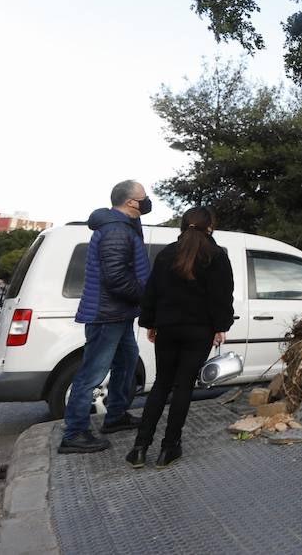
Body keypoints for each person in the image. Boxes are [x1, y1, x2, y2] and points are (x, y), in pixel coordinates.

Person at [126, 206, 234, 469]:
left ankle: (139, 448)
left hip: (168, 329)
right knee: (183, 386)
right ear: (210, 226)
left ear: (183, 226)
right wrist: (221, 327)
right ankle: (169, 448)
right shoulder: (216, 256)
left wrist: (150, 323)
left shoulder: (166, 254)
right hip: (199, 331)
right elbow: (221, 296)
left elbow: (152, 292)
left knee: (161, 384)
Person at [59, 180, 152, 454]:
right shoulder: (115, 230)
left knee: (126, 363)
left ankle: (116, 416)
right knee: (92, 373)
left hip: (119, 312)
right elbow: (116, 277)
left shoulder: (123, 227)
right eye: (143, 197)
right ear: (131, 202)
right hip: (106, 313)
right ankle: (74, 433)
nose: (147, 201)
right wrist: (147, 297)